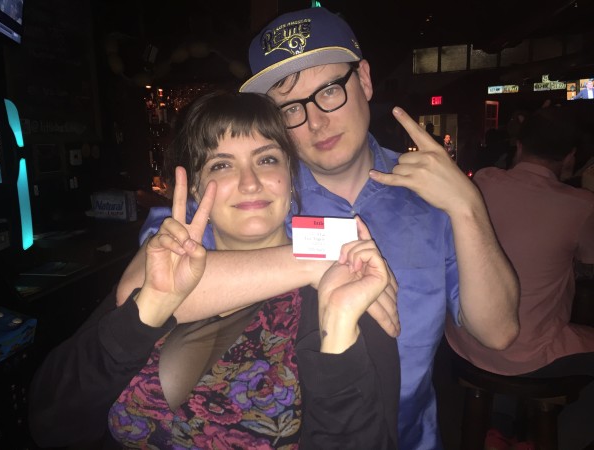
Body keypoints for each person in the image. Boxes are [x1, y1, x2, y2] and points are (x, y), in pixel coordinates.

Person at [117, 7, 519, 449]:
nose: (315, 121)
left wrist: (467, 206)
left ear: (364, 79)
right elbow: (138, 294)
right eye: (290, 107)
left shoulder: (430, 196)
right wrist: (314, 262)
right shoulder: (256, 193)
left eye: (329, 91)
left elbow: (498, 332)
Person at [29, 91, 400, 449]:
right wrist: (148, 311)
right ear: (194, 188)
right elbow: (50, 423)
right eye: (222, 165)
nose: (250, 182)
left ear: (291, 176)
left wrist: (337, 332)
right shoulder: (164, 268)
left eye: (267, 159)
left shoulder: (341, 289)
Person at [445, 106, 594, 450]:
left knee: (526, 323)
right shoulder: (582, 204)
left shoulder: (484, 180)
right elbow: (588, 262)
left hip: (463, 340)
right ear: (570, 157)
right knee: (535, 334)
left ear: (520, 146)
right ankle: (557, 437)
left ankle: (499, 428)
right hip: (523, 354)